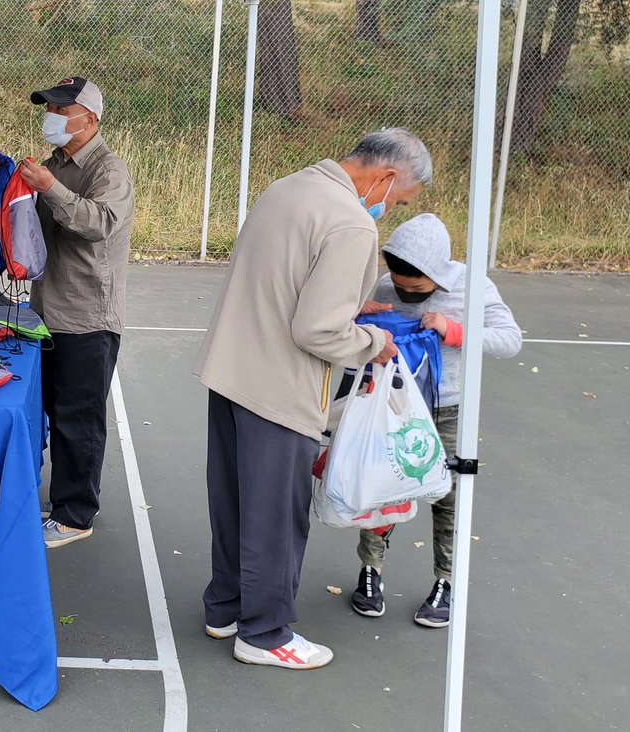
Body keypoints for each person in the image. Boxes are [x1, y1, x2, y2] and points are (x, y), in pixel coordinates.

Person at [193, 127, 431, 670]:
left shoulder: (288, 188)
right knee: (277, 515)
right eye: (398, 200)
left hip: (232, 370)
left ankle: (226, 606)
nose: (389, 210)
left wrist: (350, 308)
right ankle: (266, 632)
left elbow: (285, 280)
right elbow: (317, 331)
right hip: (281, 388)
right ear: (387, 176)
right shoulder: (351, 223)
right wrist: (373, 341)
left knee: (233, 501)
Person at [0, 76, 134, 548]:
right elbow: (27, 224)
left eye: (60, 109)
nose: (51, 116)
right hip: (45, 311)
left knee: (78, 417)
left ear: (89, 118)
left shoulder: (109, 170)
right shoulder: (52, 164)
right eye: (48, 107)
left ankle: (75, 513)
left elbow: (100, 224)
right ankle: (49, 495)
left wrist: (49, 188)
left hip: (87, 316)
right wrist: (2, 179)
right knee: (47, 409)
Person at [349, 213, 522, 628]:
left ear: (438, 276)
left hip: (446, 409)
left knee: (447, 496)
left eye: (417, 290)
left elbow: (510, 339)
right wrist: (357, 310)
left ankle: (445, 582)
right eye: (398, 285)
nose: (404, 294)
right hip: (390, 404)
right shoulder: (382, 281)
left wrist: (454, 330)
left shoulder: (473, 285)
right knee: (382, 489)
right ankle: (370, 572)